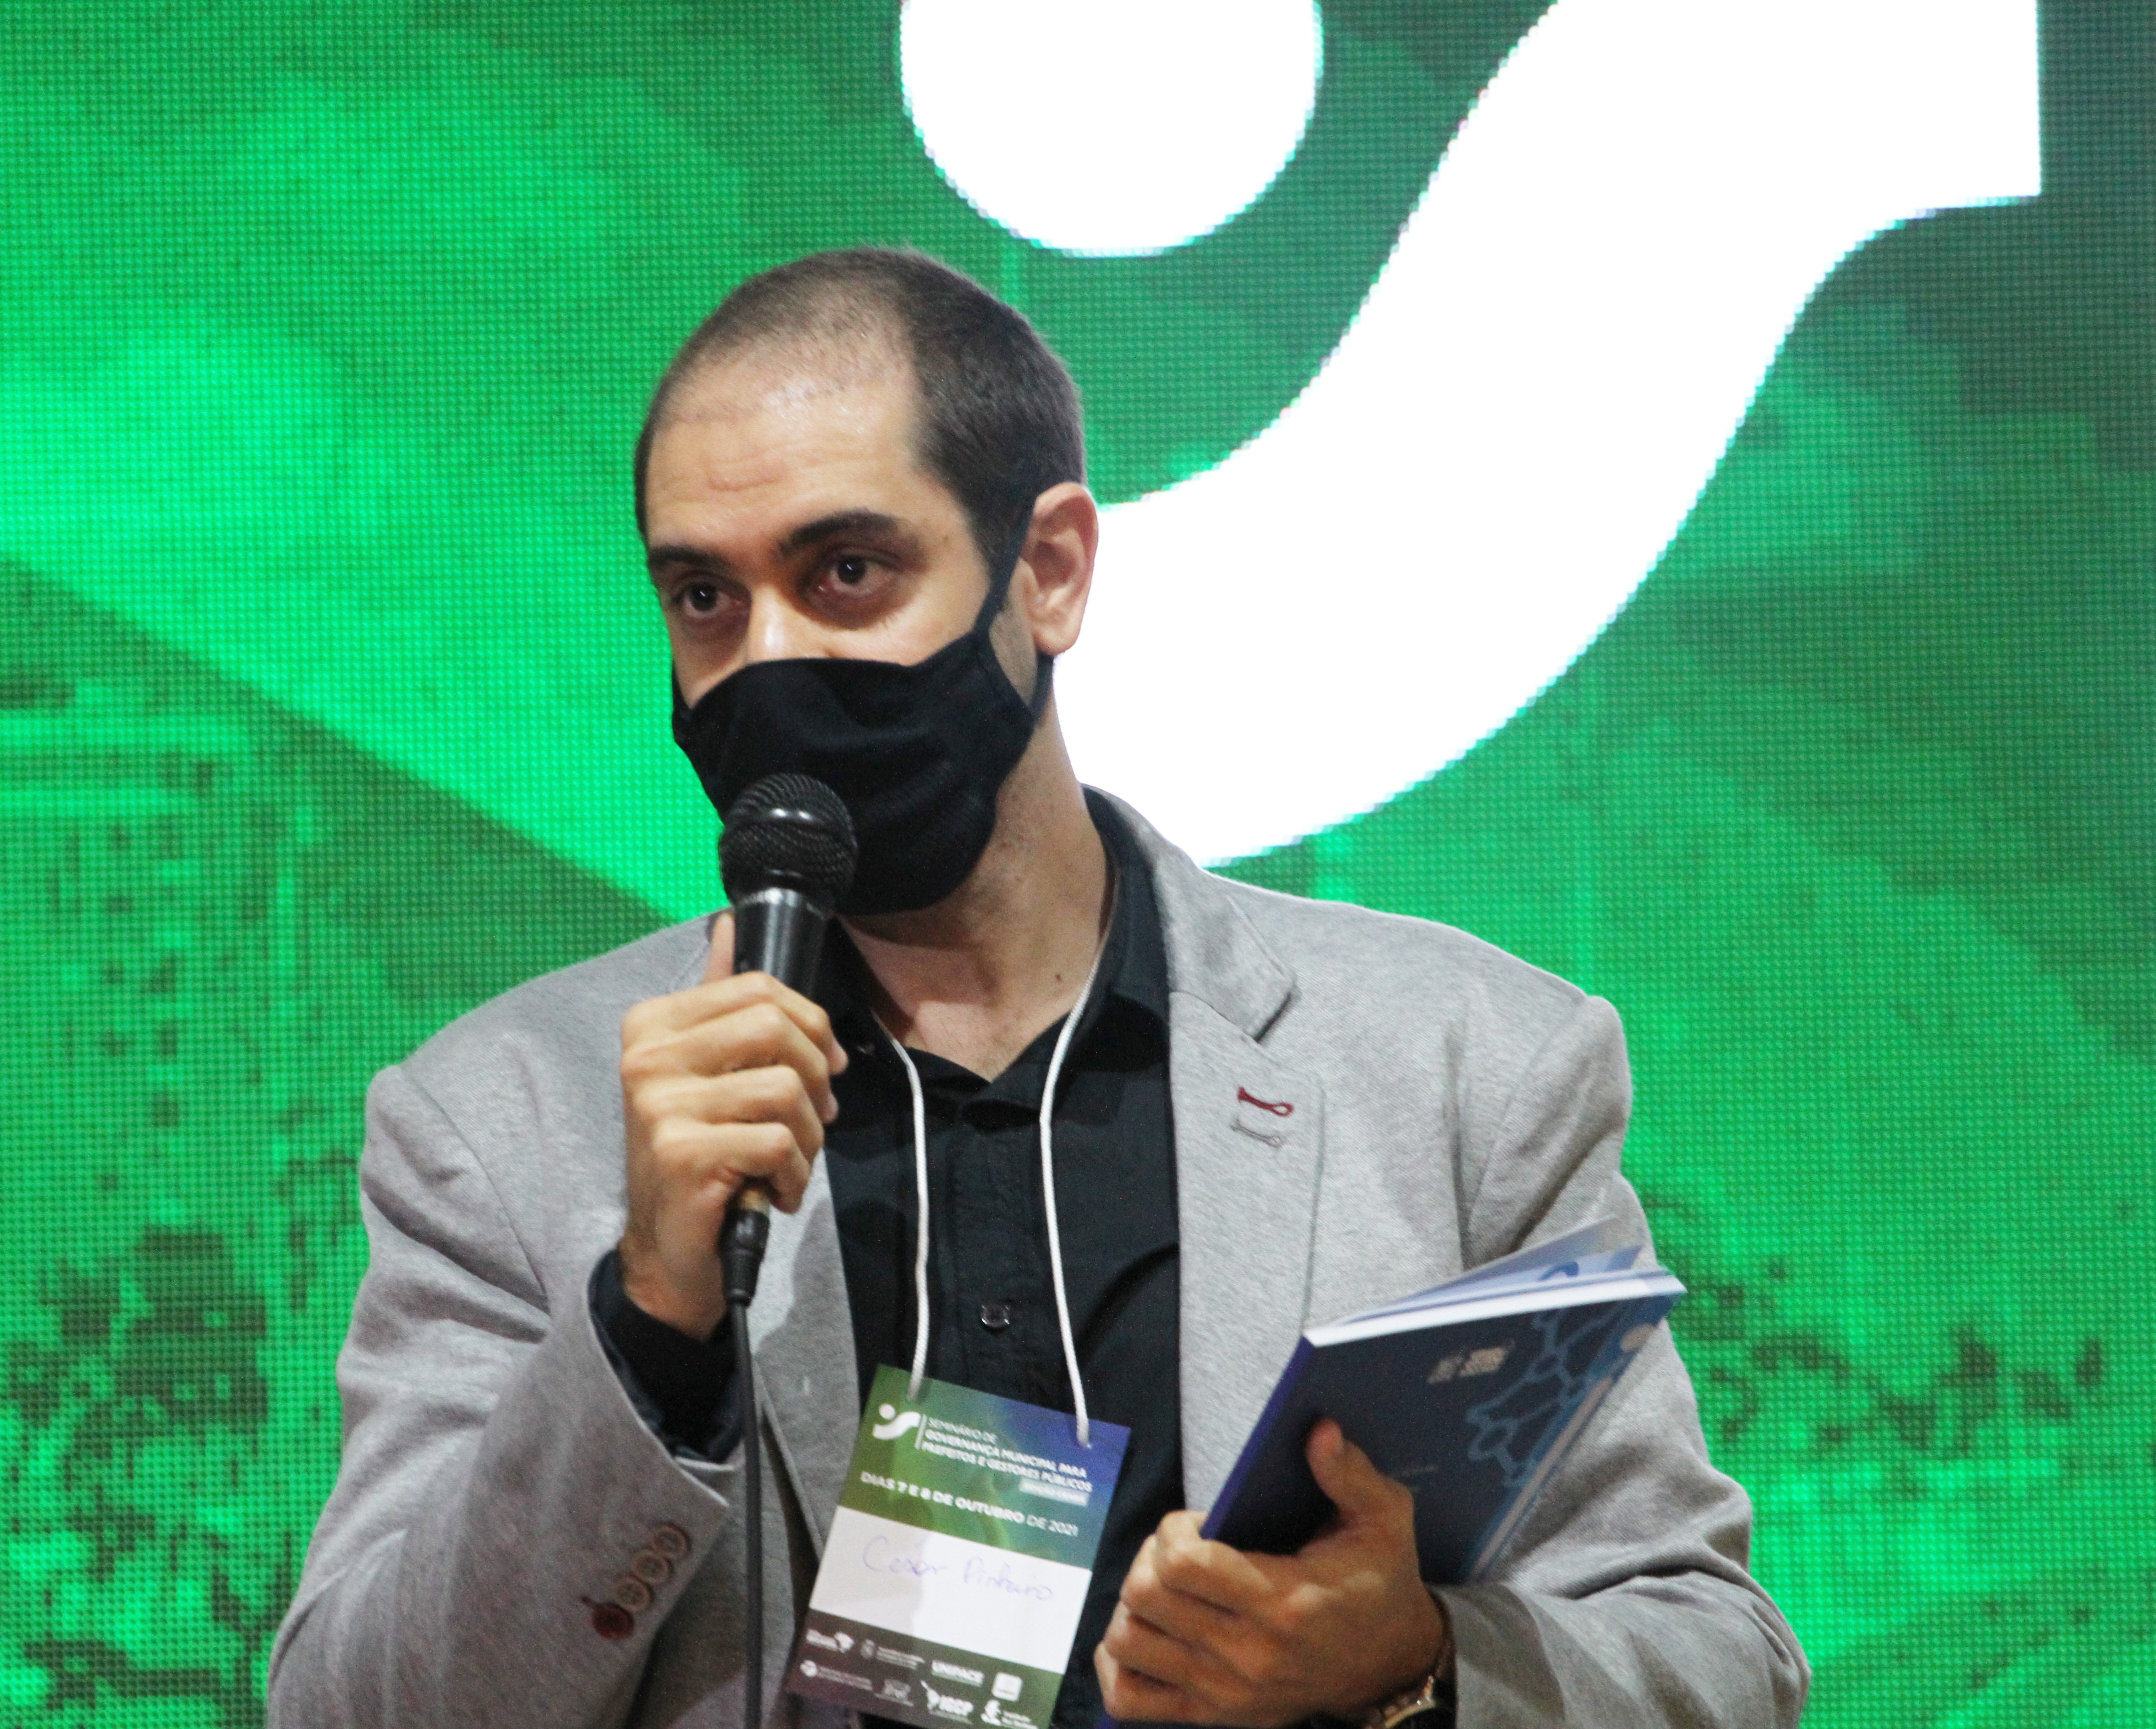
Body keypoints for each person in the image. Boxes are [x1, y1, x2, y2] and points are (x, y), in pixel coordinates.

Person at [266, 249, 1807, 1729]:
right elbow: (354, 1713)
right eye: (706, 600)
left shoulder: (1467, 1069)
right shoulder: (501, 1123)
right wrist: (650, 1323)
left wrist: (1413, 1662)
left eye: (847, 572)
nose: (770, 663)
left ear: (1050, 570)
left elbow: (1718, 1665)